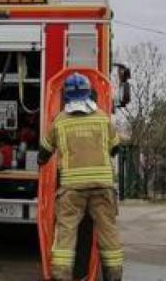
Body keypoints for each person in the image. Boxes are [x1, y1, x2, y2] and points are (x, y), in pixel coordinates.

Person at [40, 73, 123, 281]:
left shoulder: (59, 121)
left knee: (66, 232)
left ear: (66, 96)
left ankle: (61, 276)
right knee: (108, 232)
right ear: (89, 93)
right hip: (102, 187)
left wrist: (43, 160)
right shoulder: (102, 118)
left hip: (72, 190)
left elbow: (44, 152)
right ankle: (113, 276)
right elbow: (115, 148)